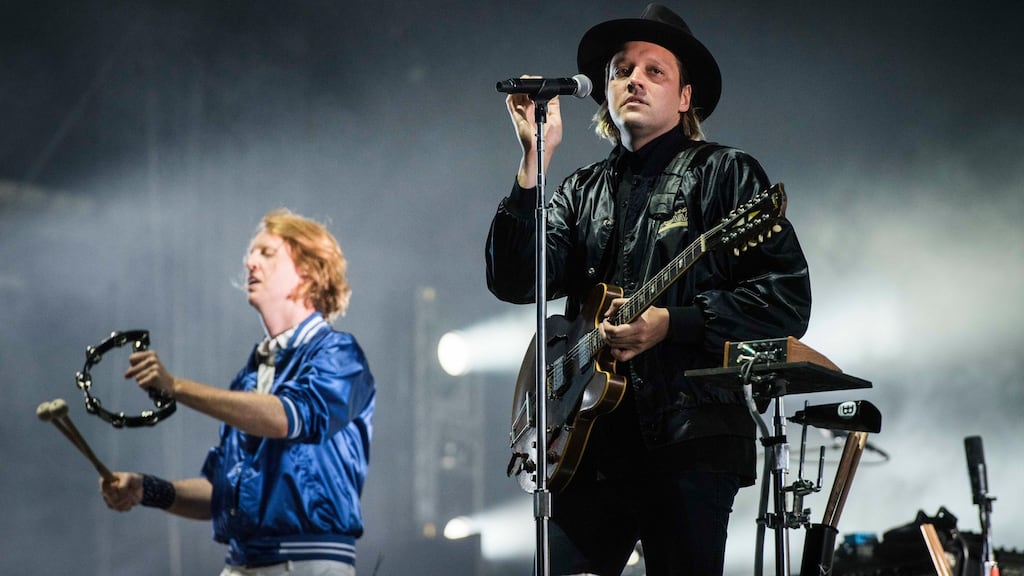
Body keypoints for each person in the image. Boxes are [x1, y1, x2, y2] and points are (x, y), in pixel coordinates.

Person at [486, 4, 811, 575]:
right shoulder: (581, 191)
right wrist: (535, 157)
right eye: (620, 69)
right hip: (587, 447)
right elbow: (513, 278)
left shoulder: (726, 174)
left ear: (686, 98)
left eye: (654, 70)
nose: (632, 78)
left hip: (689, 443)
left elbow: (787, 299)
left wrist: (675, 323)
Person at [100, 208, 376, 576]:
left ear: (308, 270)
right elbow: (220, 492)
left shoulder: (339, 355)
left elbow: (286, 417)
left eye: (266, 252)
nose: (249, 262)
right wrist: (145, 490)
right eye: (250, 253)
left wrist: (176, 387)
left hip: (308, 564)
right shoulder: (249, 377)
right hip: (242, 563)